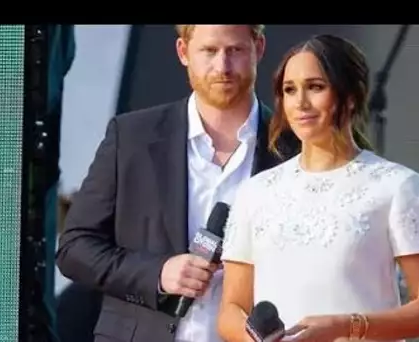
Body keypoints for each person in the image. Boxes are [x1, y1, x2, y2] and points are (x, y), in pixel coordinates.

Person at [56, 25, 299, 342]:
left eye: (235, 50)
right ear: (183, 52)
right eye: (209, 51)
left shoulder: (295, 150)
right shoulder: (132, 137)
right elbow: (75, 248)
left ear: (259, 47)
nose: (223, 67)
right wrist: (157, 273)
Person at [217, 34, 419, 342]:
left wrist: (344, 327)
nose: (300, 103)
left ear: (350, 96)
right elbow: (231, 309)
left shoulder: (398, 187)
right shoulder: (256, 192)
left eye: (315, 87)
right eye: (290, 90)